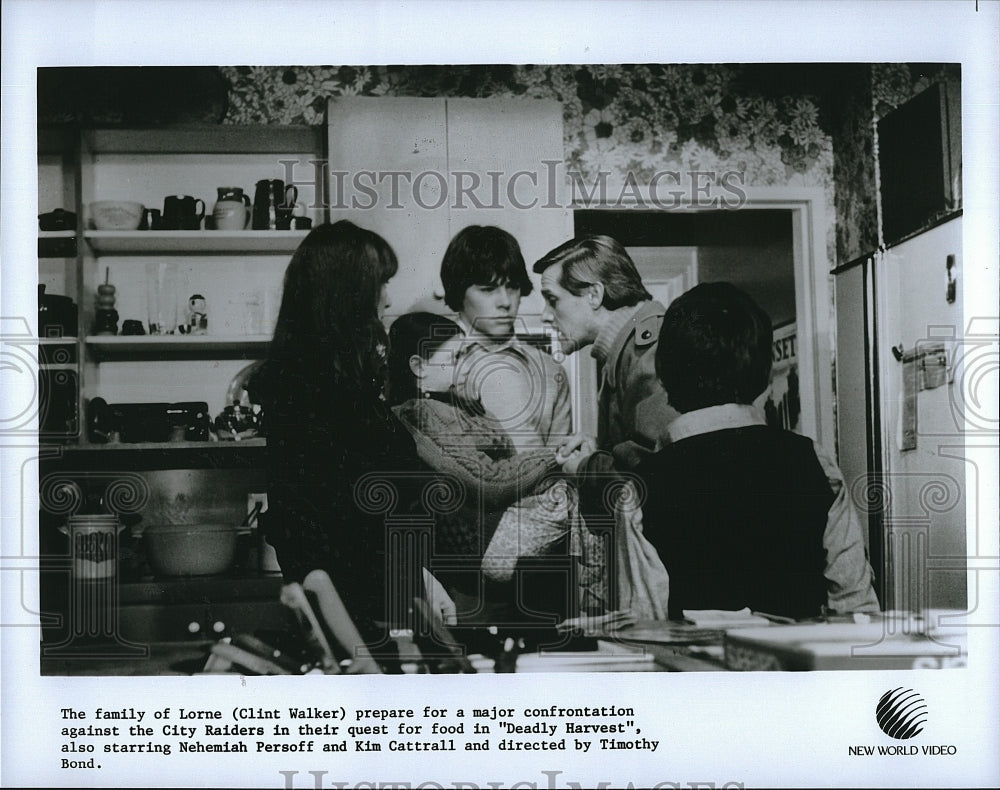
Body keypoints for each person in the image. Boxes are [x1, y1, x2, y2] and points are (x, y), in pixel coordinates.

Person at [635, 282, 879, 619]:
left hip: (692, 670)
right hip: (800, 667)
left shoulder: (642, 485)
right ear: (765, 372)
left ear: (665, 375)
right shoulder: (812, 460)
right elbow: (856, 607)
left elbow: (642, 628)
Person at [255, 221, 429, 670]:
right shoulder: (319, 392)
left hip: (373, 606)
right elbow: (330, 534)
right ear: (347, 291)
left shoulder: (322, 382)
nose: (387, 299)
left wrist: (419, 585)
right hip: (360, 614)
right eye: (380, 284)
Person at [387, 312, 606, 620]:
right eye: (456, 357)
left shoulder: (454, 406)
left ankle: (594, 608)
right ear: (419, 367)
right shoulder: (420, 412)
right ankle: (598, 609)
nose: (469, 364)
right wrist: (557, 454)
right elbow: (487, 482)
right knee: (587, 491)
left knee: (588, 491)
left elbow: (502, 466)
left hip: (497, 530)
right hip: (482, 542)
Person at [532, 235, 677, 477]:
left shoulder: (651, 349)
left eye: (553, 300)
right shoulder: (625, 348)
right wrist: (599, 451)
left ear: (594, 295)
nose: (545, 316)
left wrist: (584, 467)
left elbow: (653, 468)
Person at [440, 225, 571, 452]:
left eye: (512, 287)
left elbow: (561, 469)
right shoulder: (431, 365)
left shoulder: (551, 371)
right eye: (488, 289)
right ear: (459, 292)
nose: (505, 301)